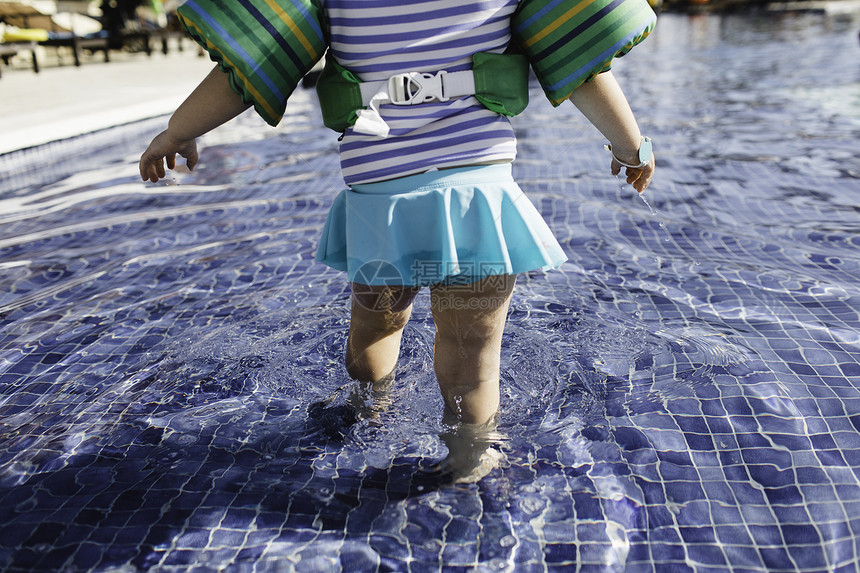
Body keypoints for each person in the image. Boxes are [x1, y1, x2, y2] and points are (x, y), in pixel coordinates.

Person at [139, 0, 656, 480]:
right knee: (471, 353)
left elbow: (248, 69)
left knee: (375, 330)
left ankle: (370, 409)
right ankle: (470, 457)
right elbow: (582, 64)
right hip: (475, 200)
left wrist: (178, 131)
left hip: (380, 205)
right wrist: (630, 145)